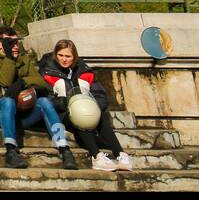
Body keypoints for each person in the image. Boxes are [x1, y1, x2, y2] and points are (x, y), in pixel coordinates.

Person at [0, 24, 77, 170]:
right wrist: (9, 58)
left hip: (21, 113)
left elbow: (41, 82)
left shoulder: (23, 59)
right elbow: (5, 80)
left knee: (45, 102)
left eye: (16, 42)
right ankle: (11, 151)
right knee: (8, 101)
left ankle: (64, 148)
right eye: (10, 43)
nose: (15, 46)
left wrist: (23, 82)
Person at [40, 39, 132, 171]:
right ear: (55, 54)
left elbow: (100, 94)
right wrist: (66, 103)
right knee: (80, 116)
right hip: (62, 112)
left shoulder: (84, 71)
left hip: (86, 108)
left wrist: (93, 106)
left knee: (96, 116)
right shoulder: (48, 72)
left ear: (74, 57)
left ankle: (121, 154)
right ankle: (96, 156)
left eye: (68, 56)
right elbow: (47, 100)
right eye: (60, 55)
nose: (64, 59)